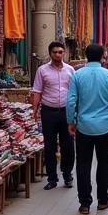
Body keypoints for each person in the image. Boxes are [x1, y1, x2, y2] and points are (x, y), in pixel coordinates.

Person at [66, 43, 108, 214]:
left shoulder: (77, 75)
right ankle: (103, 200)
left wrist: (71, 121)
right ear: (103, 56)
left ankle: (84, 203)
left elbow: (71, 102)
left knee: (83, 164)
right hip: (105, 127)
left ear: (86, 56)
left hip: (83, 127)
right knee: (104, 163)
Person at [31, 41, 75, 190]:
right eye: (55, 52)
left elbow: (74, 92)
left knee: (68, 146)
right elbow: (37, 91)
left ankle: (67, 175)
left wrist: (75, 111)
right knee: (49, 146)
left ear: (64, 53)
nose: (58, 54)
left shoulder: (70, 70)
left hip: (65, 113)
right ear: (50, 53)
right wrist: (34, 110)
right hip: (48, 112)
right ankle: (52, 178)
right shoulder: (42, 70)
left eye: (60, 52)